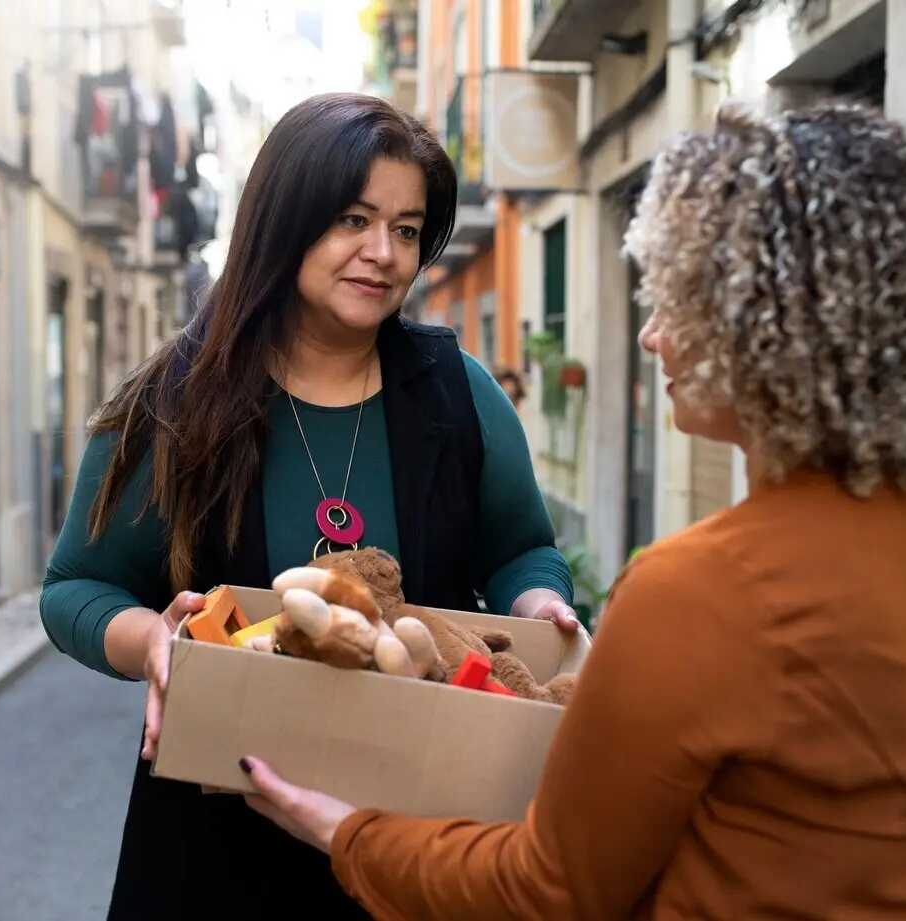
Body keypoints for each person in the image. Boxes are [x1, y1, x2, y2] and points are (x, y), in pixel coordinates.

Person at [240, 101, 906, 919]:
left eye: (676, 301)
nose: (649, 335)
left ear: (761, 329)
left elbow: (550, 886)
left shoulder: (698, 588)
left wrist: (347, 829)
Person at [38, 92, 581, 920]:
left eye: (406, 229)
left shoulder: (458, 394)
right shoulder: (174, 402)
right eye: (353, 220)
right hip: (218, 840)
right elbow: (75, 587)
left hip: (417, 843)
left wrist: (540, 604)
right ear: (285, 222)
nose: (383, 253)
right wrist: (155, 640)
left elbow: (522, 550)